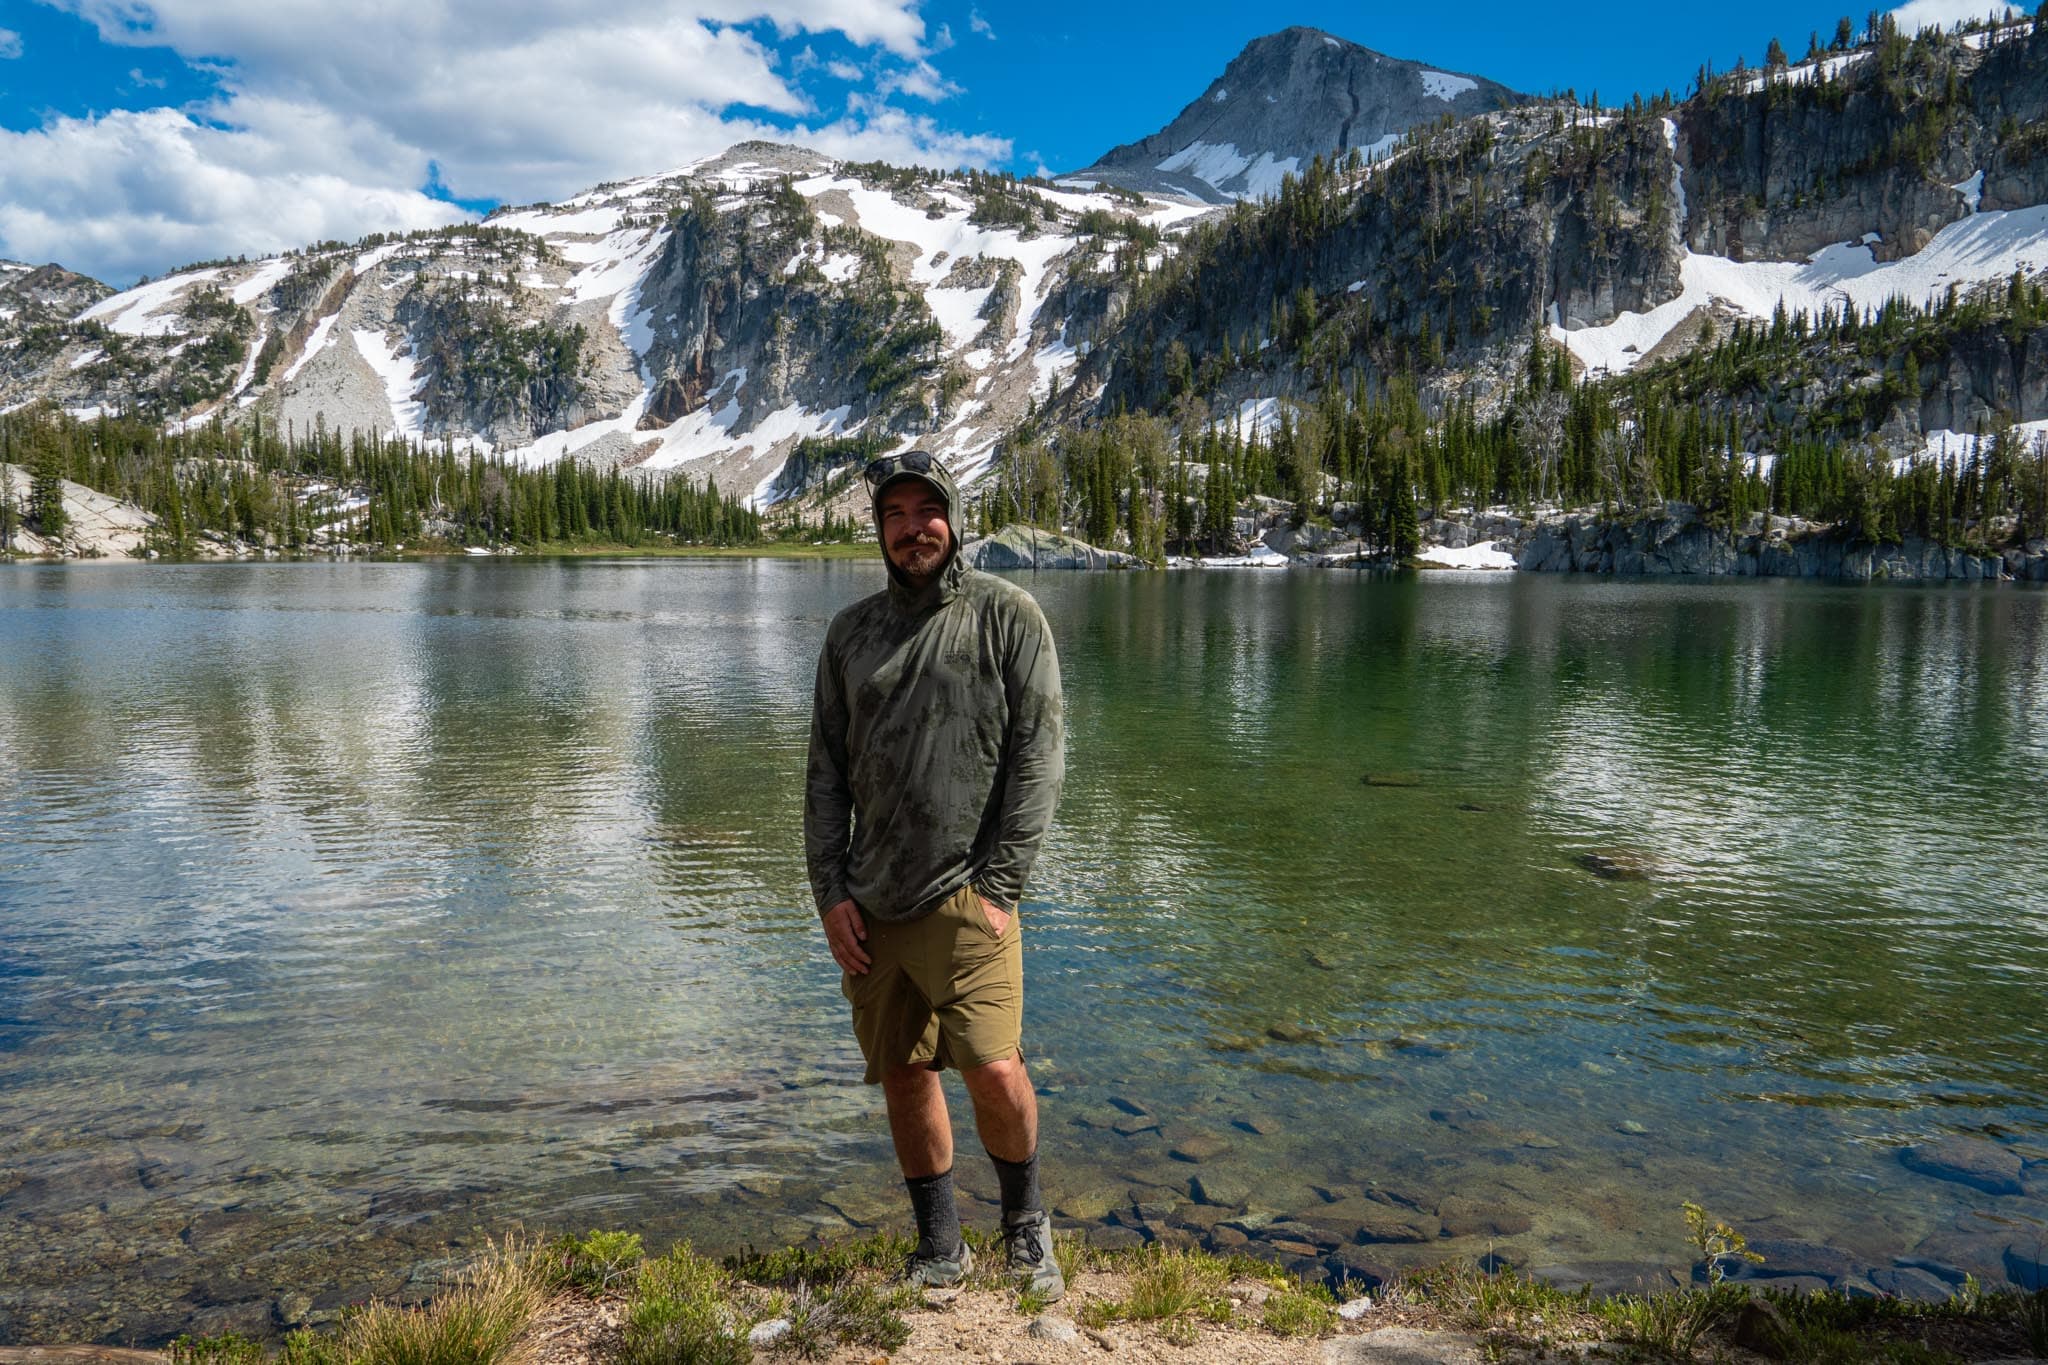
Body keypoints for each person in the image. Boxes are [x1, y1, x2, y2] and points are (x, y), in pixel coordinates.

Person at [804, 449, 1066, 1297]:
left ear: (953, 518)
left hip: (969, 895)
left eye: (927, 510)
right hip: (872, 904)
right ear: (879, 529)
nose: (913, 528)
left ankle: (1027, 1227)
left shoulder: (1007, 615)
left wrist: (1001, 889)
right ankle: (939, 1247)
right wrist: (831, 893)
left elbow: (1039, 758)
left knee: (995, 1066)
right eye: (895, 515)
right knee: (906, 1073)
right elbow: (825, 775)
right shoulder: (851, 634)